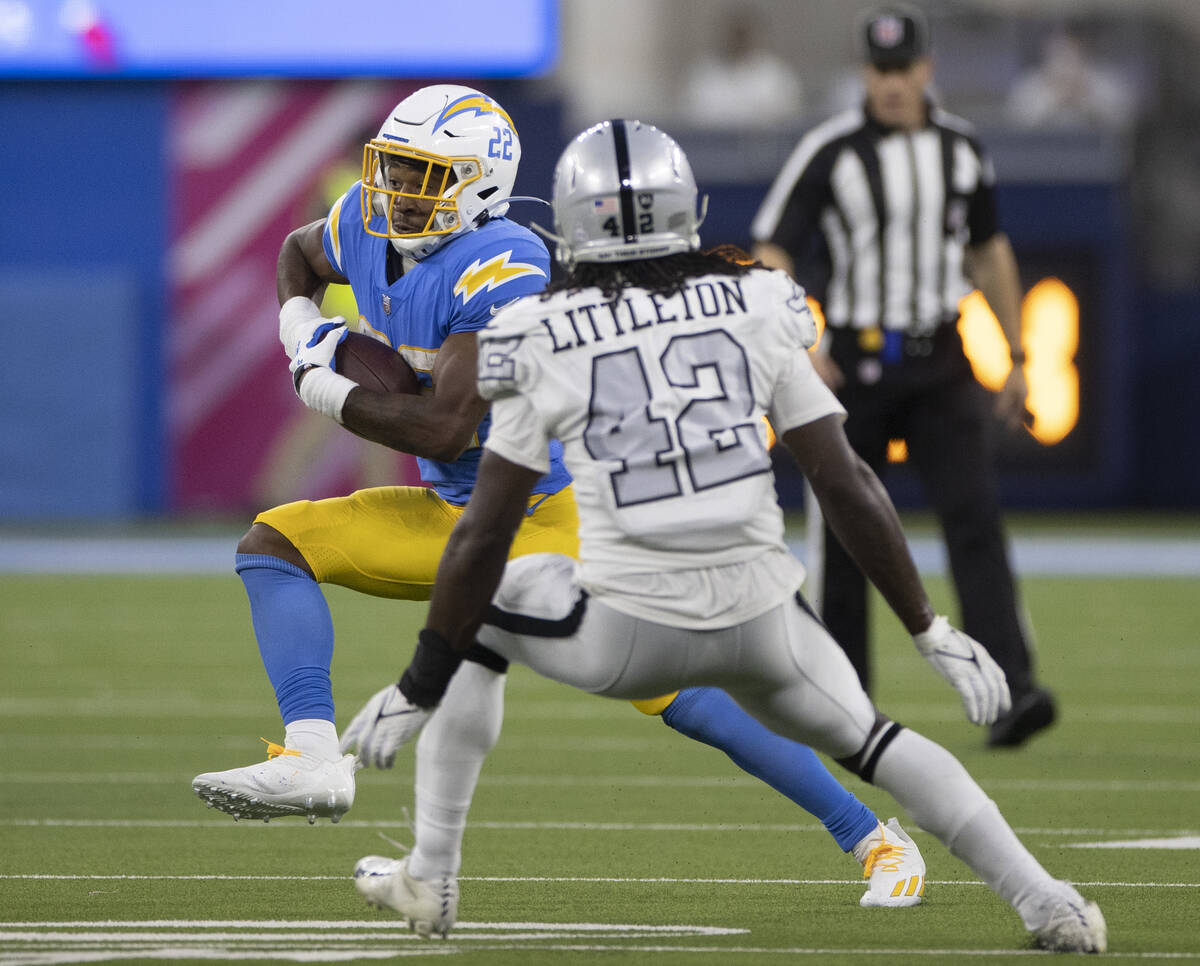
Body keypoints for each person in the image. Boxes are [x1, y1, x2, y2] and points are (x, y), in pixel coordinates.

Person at [337, 118, 1106, 953]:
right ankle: (1049, 902)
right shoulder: (756, 300)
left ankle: (432, 874)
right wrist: (931, 628)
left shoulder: (538, 333)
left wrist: (419, 683)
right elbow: (845, 482)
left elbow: (483, 530)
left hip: (632, 633)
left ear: (571, 221)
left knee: (489, 603)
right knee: (877, 741)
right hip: (765, 618)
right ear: (683, 212)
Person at [189, 84, 923, 912]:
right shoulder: (366, 217)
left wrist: (321, 385)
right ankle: (315, 757)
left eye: (424, 175)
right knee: (274, 546)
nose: (396, 191)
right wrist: (298, 322)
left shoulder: (504, 264)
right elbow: (299, 251)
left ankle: (872, 836)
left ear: (480, 188)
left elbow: (444, 428)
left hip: (551, 511)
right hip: (454, 513)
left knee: (679, 692)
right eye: (392, 167)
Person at [749, 4, 1057, 747]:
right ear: (867, 71)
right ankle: (846, 702)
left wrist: (1016, 356)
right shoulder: (832, 149)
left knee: (974, 517)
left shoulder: (961, 148)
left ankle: (1011, 690)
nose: (892, 83)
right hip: (853, 359)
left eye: (904, 68)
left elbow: (988, 252)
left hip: (942, 355)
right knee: (848, 533)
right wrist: (802, 341)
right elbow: (772, 249)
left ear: (927, 69)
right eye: (880, 70)